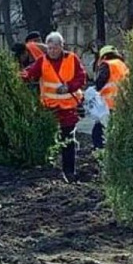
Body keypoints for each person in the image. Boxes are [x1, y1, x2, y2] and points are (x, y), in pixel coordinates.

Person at [21, 31, 86, 183]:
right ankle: (50, 171)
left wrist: (69, 87)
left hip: (68, 108)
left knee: (68, 140)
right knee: (48, 139)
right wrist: (17, 76)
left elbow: (81, 78)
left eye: (55, 48)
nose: (52, 51)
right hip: (49, 108)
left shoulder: (72, 59)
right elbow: (30, 73)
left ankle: (69, 171)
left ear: (62, 47)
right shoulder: (42, 61)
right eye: (49, 48)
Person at [92, 45, 129, 149]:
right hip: (122, 103)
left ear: (103, 56)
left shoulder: (107, 64)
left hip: (108, 104)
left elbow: (100, 82)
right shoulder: (123, 65)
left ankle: (99, 151)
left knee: (99, 130)